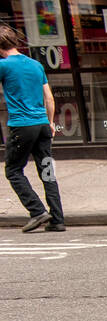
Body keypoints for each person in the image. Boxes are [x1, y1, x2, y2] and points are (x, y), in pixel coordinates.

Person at [0, 25, 65, 233]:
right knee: (47, 171)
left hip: (22, 126)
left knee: (13, 170)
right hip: (43, 126)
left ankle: (37, 211)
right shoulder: (36, 65)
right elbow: (49, 98)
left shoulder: (4, 66)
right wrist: (50, 122)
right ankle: (57, 219)